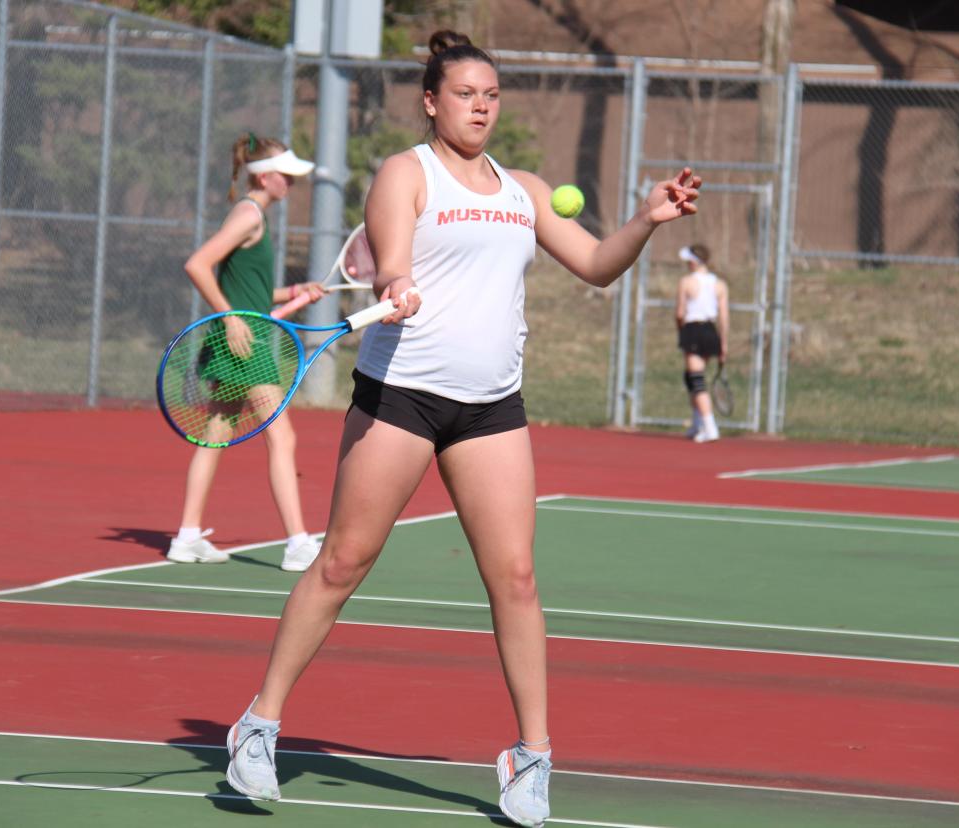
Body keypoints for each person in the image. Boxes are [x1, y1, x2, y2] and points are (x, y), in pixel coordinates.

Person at [223, 32, 700, 827]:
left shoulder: (526, 190)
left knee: (515, 580)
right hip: (401, 396)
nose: (481, 105)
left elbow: (595, 264)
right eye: (466, 93)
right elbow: (393, 256)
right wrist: (401, 285)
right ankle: (258, 725)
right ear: (432, 101)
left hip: (491, 409)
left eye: (492, 94)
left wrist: (647, 220)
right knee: (343, 561)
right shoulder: (406, 172)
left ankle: (532, 756)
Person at [167, 134, 329, 572]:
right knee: (282, 437)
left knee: (216, 433)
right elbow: (198, 264)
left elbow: (252, 293)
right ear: (266, 176)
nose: (292, 185)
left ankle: (185, 536)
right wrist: (230, 319)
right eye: (287, 177)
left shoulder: (256, 216)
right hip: (244, 345)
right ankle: (298, 544)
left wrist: (294, 291)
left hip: (243, 337)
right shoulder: (249, 215)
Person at [675, 243, 728, 443]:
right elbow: (724, 317)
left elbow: (680, 312)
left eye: (689, 260)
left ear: (694, 261)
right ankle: (697, 423)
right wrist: (723, 343)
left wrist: (681, 329)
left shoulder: (686, 282)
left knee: (696, 379)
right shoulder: (720, 284)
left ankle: (710, 426)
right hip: (710, 331)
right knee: (690, 377)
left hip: (694, 330)